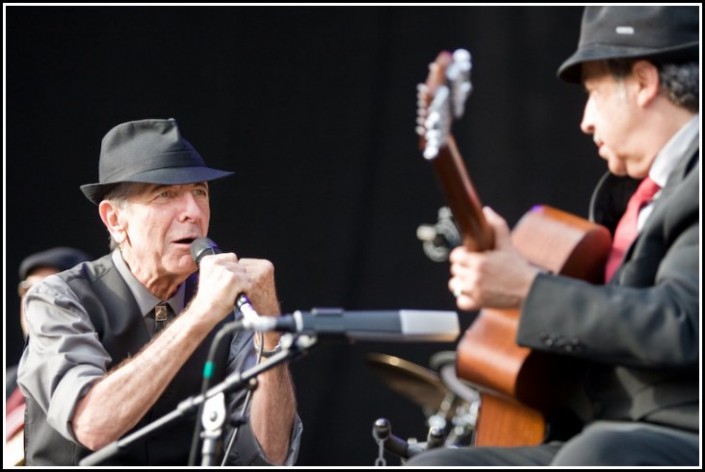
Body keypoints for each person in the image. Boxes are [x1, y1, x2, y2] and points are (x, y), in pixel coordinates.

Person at [406, 6, 699, 467]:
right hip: (598, 435)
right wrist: (509, 279)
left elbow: (684, 323)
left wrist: (527, 287)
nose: (584, 120)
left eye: (595, 94)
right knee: (435, 465)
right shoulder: (631, 196)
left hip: (678, 436)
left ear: (644, 82)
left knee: (594, 455)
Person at [17, 118, 302, 466]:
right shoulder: (58, 298)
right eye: (164, 194)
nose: (193, 213)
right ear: (114, 220)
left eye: (200, 191)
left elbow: (270, 455)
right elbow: (92, 425)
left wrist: (269, 330)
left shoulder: (230, 307)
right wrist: (200, 314)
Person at [6, 247, 91, 467]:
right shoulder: (9, 383)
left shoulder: (96, 376)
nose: (34, 301)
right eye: (28, 290)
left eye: (49, 289)